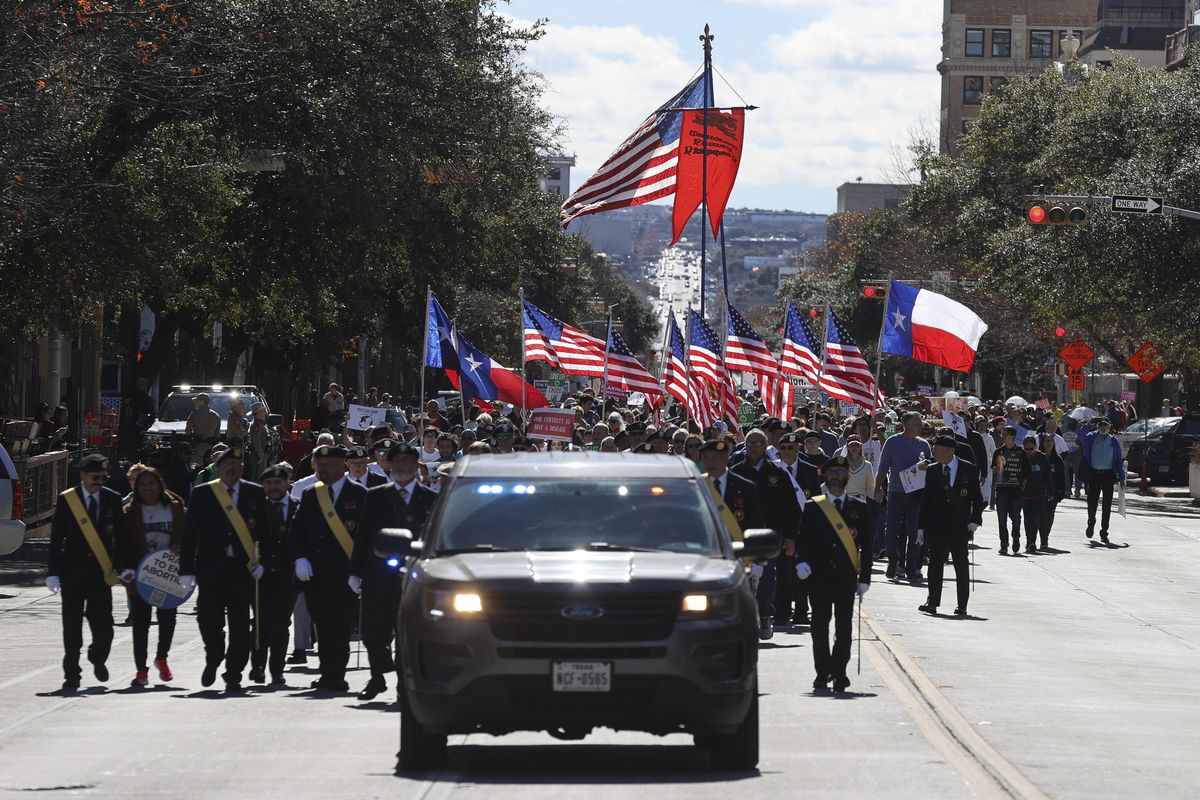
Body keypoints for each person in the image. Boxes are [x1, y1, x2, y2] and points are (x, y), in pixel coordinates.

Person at [178, 447, 271, 692]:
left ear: (242, 467)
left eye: (235, 464)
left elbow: (265, 534)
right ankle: (214, 657)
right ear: (218, 468)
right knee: (209, 620)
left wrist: (264, 564)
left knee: (240, 625)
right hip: (210, 570)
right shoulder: (203, 493)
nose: (231, 468)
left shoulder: (254, 493)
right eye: (226, 463)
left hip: (242, 571)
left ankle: (234, 672)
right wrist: (186, 569)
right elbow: (190, 535)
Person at [350, 441, 437, 701]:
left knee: (407, 633)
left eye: (408, 462)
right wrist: (355, 572)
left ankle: (403, 683)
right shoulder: (376, 495)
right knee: (373, 631)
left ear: (415, 466)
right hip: (378, 575)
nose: (402, 467)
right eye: (397, 462)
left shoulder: (429, 498)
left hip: (414, 576)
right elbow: (363, 535)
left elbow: (434, 539)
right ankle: (377, 676)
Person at [46, 454, 136, 692]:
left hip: (100, 574)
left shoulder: (112, 499)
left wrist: (126, 566)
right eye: (95, 476)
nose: (99, 481)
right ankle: (72, 675)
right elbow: (57, 539)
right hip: (72, 573)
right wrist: (52, 572)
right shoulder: (68, 500)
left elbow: (122, 537)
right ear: (83, 475)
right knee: (72, 627)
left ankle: (98, 657)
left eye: (103, 477)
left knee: (104, 627)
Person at [293, 444, 368, 692]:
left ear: (341, 465)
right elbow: (299, 531)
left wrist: (360, 571)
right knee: (322, 625)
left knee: (340, 625)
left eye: (327, 465)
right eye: (318, 464)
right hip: (315, 574)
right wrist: (300, 558)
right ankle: (328, 673)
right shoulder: (310, 495)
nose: (321, 469)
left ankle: (336, 675)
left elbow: (365, 537)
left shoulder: (359, 494)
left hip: (345, 574)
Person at [794, 457, 871, 693]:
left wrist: (865, 578)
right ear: (825, 477)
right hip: (819, 577)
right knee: (819, 626)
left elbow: (867, 546)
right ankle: (822, 671)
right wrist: (802, 563)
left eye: (841, 471)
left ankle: (839, 672)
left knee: (844, 627)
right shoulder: (812, 507)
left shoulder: (860, 508)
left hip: (846, 577)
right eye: (832, 472)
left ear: (847, 477)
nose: (837, 475)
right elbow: (803, 540)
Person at [731, 429, 800, 639]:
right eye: (749, 443)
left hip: (771, 534)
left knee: (767, 579)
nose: (752, 447)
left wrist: (790, 537)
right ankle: (741, 620)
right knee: (740, 579)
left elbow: (791, 508)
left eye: (757, 443)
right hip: (741, 535)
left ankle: (764, 616)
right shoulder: (734, 471)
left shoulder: (778, 474)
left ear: (765, 445)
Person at [122, 466, 186, 687]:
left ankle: (162, 657)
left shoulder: (175, 507)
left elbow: (187, 533)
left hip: (168, 574)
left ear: (160, 485)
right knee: (141, 623)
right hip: (140, 576)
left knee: (168, 619)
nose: (147, 488)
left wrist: (179, 545)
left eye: (151, 483)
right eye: (142, 484)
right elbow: (122, 544)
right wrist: (126, 569)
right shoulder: (130, 512)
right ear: (136, 488)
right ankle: (141, 670)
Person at [916, 436, 985, 616]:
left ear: (948, 451)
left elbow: (977, 499)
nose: (934, 452)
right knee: (935, 564)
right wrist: (921, 526)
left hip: (959, 525)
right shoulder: (932, 470)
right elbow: (926, 500)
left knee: (961, 565)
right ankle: (932, 601)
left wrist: (975, 520)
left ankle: (962, 605)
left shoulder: (968, 469)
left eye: (936, 449)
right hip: (936, 524)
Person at [250, 464, 296, 687]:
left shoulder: (298, 507)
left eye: (278, 482)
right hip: (262, 576)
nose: (273, 487)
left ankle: (277, 670)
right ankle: (258, 666)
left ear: (287, 483)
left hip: (289, 576)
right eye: (268, 483)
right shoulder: (256, 508)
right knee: (260, 622)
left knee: (281, 624)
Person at [875, 412, 931, 582]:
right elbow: (883, 467)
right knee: (891, 529)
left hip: (916, 495)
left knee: (915, 532)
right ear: (907, 425)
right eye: (917, 423)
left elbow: (932, 466)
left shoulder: (924, 445)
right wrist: (877, 488)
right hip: (896, 493)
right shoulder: (893, 442)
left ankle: (911, 567)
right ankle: (893, 559)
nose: (921, 426)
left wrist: (926, 467)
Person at [1080, 416, 1124, 544]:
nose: (1103, 427)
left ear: (1110, 427)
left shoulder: (1114, 441)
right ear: (1097, 426)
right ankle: (1091, 521)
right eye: (1100, 425)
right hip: (1094, 473)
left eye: (1105, 425)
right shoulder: (1091, 437)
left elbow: (1118, 460)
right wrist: (1089, 424)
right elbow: (1081, 434)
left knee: (1107, 505)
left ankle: (1104, 532)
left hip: (1108, 474)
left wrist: (1122, 477)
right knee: (1092, 502)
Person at [991, 427, 1028, 556]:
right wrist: (995, 470)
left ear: (1012, 436)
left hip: (1016, 490)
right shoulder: (998, 451)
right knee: (1002, 518)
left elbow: (1027, 471)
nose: (1003, 436)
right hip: (1002, 490)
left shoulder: (1020, 452)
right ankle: (1004, 543)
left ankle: (1016, 537)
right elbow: (994, 469)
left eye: (1006, 434)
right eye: (1003, 434)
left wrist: (1024, 482)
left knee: (1016, 518)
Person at [1019, 435, 1051, 555]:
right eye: (1026, 449)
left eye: (1031, 449)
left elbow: (1048, 476)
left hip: (1039, 494)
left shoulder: (1042, 458)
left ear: (1036, 447)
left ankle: (1032, 541)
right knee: (1027, 519)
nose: (1028, 451)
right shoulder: (1021, 457)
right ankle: (1029, 541)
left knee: (1036, 519)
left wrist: (1051, 492)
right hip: (1025, 494)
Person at [1039, 433, 1067, 551]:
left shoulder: (1058, 460)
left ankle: (1045, 537)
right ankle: (1041, 539)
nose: (1048, 443)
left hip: (1053, 494)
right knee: (1040, 516)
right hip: (1039, 493)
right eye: (1046, 441)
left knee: (1049, 517)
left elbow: (1062, 477)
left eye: (1051, 441)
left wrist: (1061, 493)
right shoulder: (1038, 457)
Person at [184, 393, 221, 465]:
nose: (196, 402)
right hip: (211, 447)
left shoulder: (195, 414)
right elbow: (217, 435)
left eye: (197, 400)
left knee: (196, 466)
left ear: (202, 401)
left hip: (197, 446)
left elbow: (187, 431)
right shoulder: (216, 415)